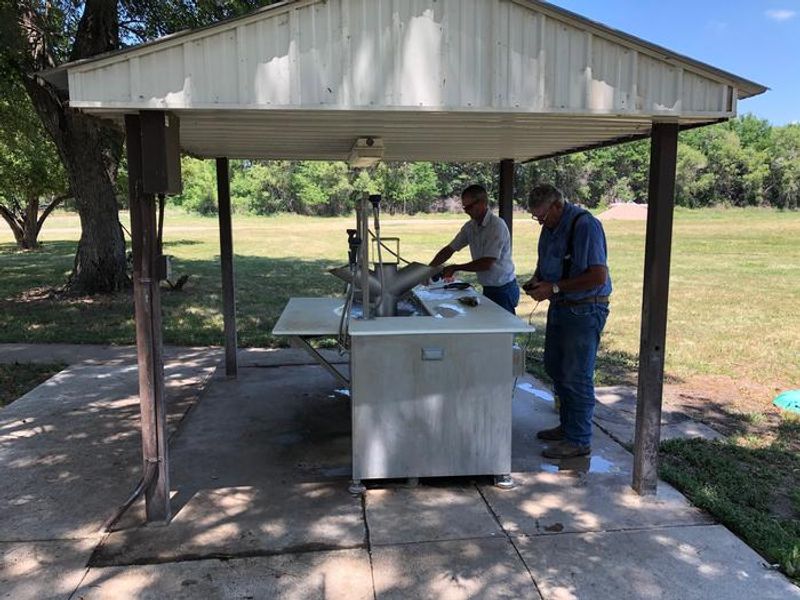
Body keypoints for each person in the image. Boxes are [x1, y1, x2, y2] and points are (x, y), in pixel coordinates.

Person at [523, 184, 611, 459]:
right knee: (554, 366)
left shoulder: (585, 226)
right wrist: (537, 280)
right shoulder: (549, 228)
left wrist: (554, 287)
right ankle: (567, 426)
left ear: (558, 206)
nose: (540, 222)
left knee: (577, 374)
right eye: (536, 217)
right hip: (560, 306)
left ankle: (579, 439)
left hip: (584, 310)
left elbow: (597, 276)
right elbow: (545, 263)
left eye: (543, 216)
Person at [429, 184, 519, 314]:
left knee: (504, 325)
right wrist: (428, 269)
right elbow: (450, 249)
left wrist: (455, 267)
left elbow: (486, 263)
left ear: (482, 203)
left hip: (503, 289)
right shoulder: (470, 227)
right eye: (464, 207)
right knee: (489, 323)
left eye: (469, 207)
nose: (466, 211)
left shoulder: (496, 226)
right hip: (488, 287)